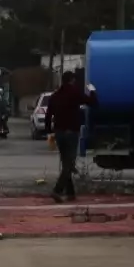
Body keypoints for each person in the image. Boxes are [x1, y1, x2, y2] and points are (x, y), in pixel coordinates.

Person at [44, 71, 98, 203]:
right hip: (71, 132)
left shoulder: (55, 96)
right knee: (69, 164)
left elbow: (48, 115)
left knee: (66, 163)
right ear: (72, 80)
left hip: (59, 132)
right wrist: (92, 91)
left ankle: (70, 193)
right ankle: (57, 190)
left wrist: (49, 131)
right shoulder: (75, 93)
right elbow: (92, 103)